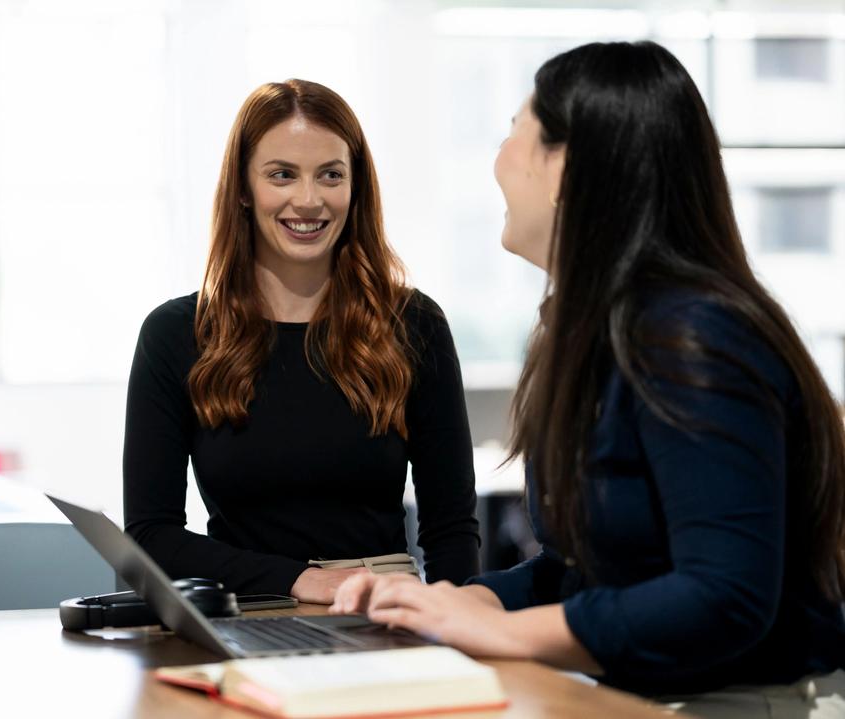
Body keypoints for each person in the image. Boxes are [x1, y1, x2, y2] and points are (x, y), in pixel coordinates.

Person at [332, 41, 845, 716]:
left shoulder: (690, 335)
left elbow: (725, 595)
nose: (496, 161)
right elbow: (591, 569)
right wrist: (465, 602)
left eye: (513, 130)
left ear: (565, 168)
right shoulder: (602, 332)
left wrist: (504, 631)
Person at [123, 79, 480, 604]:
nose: (308, 200)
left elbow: (450, 529)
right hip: (242, 613)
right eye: (282, 175)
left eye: (330, 175)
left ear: (355, 187)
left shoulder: (414, 322)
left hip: (381, 612)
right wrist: (299, 580)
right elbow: (151, 538)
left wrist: (457, 629)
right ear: (243, 188)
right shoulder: (176, 334)